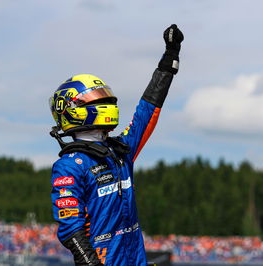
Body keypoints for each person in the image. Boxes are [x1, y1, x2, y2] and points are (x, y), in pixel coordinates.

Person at [49, 24, 183, 266]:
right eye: (100, 99)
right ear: (73, 110)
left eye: (107, 98)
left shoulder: (119, 151)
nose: (108, 104)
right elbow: (71, 229)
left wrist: (169, 59)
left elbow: (147, 112)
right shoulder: (68, 167)